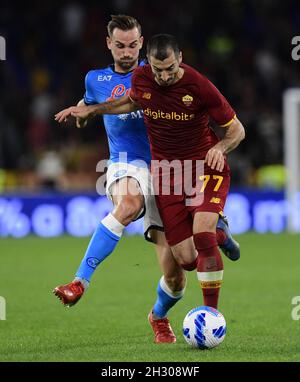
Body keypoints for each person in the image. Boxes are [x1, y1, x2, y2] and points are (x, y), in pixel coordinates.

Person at [55, 29, 241, 342]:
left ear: (141, 44)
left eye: (132, 45)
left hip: (174, 170)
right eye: (119, 45)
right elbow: (108, 104)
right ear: (108, 44)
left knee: (180, 270)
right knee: (128, 205)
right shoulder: (102, 79)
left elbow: (234, 128)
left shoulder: (171, 80)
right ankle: (80, 281)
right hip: (129, 164)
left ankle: (160, 315)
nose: (126, 52)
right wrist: (86, 112)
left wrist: (218, 149)